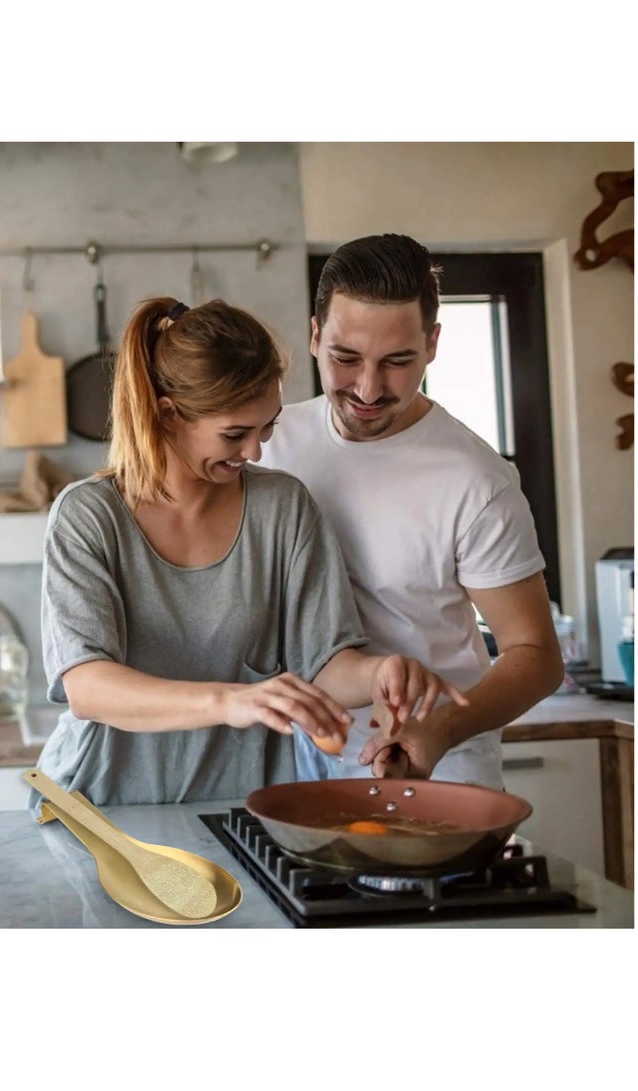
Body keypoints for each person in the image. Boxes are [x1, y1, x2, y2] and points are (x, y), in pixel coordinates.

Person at [31, 295, 467, 808]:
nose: (255, 452)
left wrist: (380, 673)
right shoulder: (88, 517)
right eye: (235, 434)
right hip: (105, 809)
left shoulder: (282, 507)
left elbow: (323, 664)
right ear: (168, 415)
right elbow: (88, 687)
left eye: (267, 428)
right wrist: (231, 699)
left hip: (247, 807)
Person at [260, 234, 564, 790]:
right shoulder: (272, 445)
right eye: (345, 359)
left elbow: (537, 654)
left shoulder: (475, 480)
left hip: (437, 772)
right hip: (290, 768)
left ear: (432, 345)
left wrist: (443, 728)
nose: (369, 389)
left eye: (397, 362)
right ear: (313, 336)